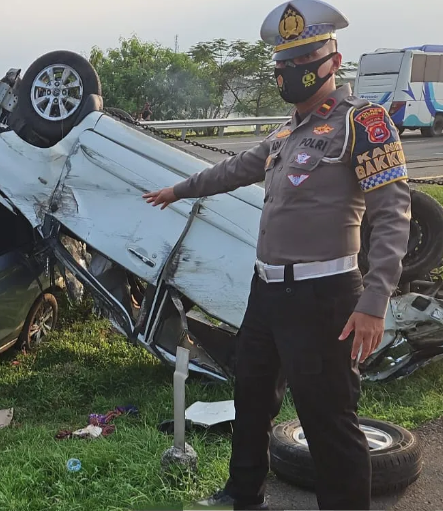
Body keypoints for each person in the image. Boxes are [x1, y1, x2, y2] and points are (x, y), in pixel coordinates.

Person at [142, 1, 411, 509]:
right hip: (266, 290)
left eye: (302, 60)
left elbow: (394, 215)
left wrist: (375, 301)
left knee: (327, 418)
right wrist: (179, 190)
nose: (290, 71)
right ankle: (243, 495)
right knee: (252, 396)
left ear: (332, 61)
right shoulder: (286, 131)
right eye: (283, 63)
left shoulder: (364, 123)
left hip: (324, 296)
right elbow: (233, 169)